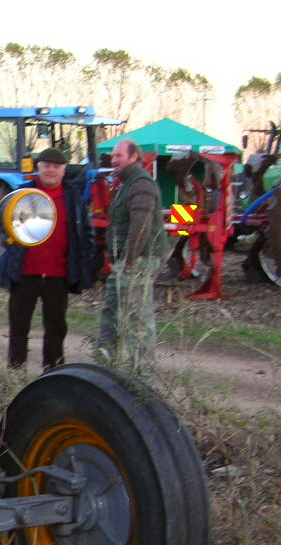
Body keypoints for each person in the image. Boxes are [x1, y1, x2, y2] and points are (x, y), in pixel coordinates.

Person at [0, 147, 95, 371]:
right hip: (24, 272)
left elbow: (86, 235)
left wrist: (84, 265)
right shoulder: (21, 195)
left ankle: (52, 373)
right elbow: (1, 229)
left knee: (56, 327)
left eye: (56, 167)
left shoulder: (74, 199)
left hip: (58, 274)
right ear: (38, 168)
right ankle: (15, 372)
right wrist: (7, 257)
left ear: (63, 170)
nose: (51, 170)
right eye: (46, 166)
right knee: (19, 326)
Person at [96, 139, 167, 372]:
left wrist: (129, 260)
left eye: (119, 156)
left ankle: (141, 375)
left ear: (134, 157)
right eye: (113, 156)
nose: (113, 160)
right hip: (126, 261)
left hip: (138, 260)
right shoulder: (126, 184)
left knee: (137, 318)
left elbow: (141, 225)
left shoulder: (141, 185)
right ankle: (106, 366)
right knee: (111, 313)